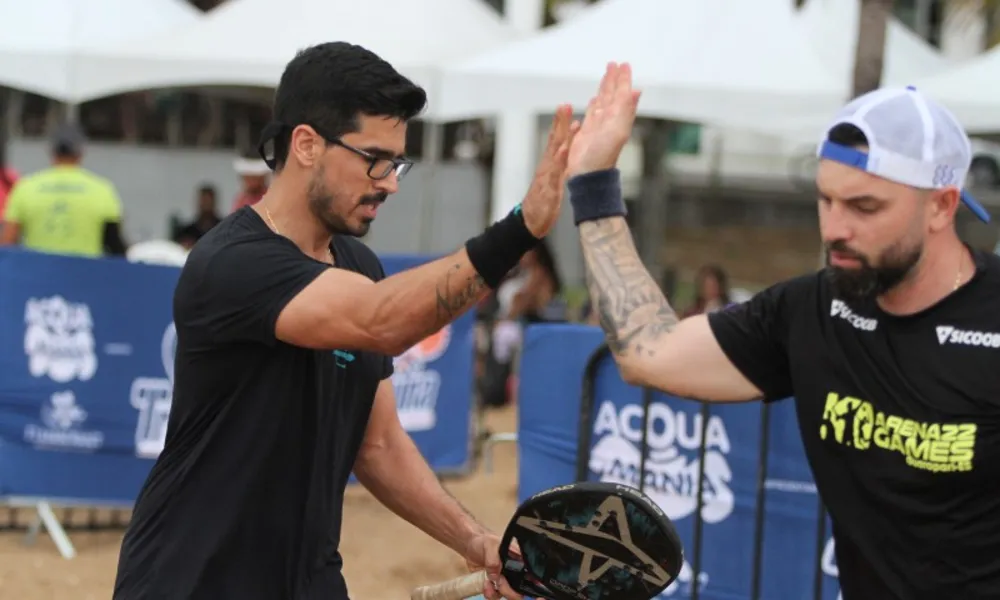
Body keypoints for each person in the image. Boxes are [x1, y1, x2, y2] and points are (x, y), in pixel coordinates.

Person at [112, 41, 579, 600]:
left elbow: (377, 444)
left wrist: (476, 540)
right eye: (375, 159)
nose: (390, 183)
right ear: (306, 144)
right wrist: (521, 230)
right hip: (191, 580)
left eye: (398, 162)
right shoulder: (232, 263)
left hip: (310, 581)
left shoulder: (359, 264)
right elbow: (383, 321)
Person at [570, 63, 1000, 599]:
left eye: (865, 207)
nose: (835, 229)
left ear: (941, 206)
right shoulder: (813, 309)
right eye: (826, 200)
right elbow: (647, 351)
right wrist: (593, 185)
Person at [0, 123, 127, 257]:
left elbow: (8, 243)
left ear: (51, 151)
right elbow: (115, 245)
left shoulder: (26, 187)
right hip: (84, 273)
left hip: (38, 273)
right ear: (81, 152)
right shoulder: (102, 190)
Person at [173, 183, 222, 249]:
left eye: (209, 201)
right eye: (204, 201)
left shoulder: (223, 230)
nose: (206, 204)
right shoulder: (187, 232)